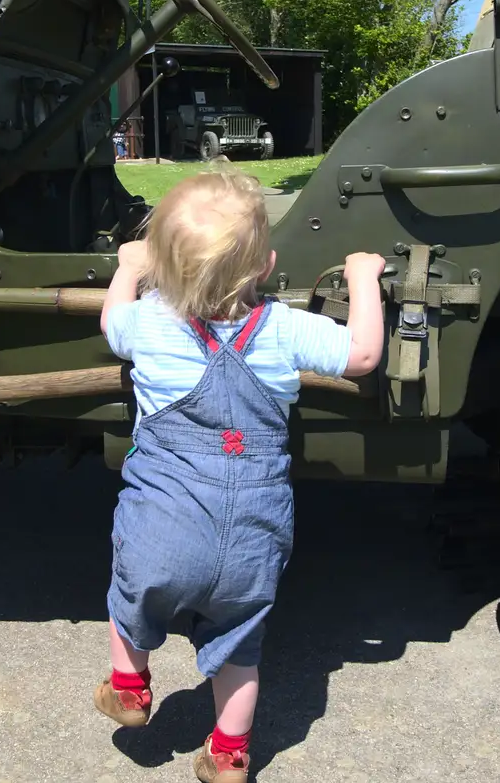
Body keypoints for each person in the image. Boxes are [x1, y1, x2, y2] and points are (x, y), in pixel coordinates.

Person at [93, 164, 385, 783]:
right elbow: (361, 356)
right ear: (265, 266)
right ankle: (228, 753)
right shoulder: (282, 330)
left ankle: (128, 686)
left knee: (130, 599)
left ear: (163, 266)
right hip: (253, 534)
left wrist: (127, 269)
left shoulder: (149, 320)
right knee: (239, 650)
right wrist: (364, 278)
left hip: (162, 529)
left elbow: (110, 326)